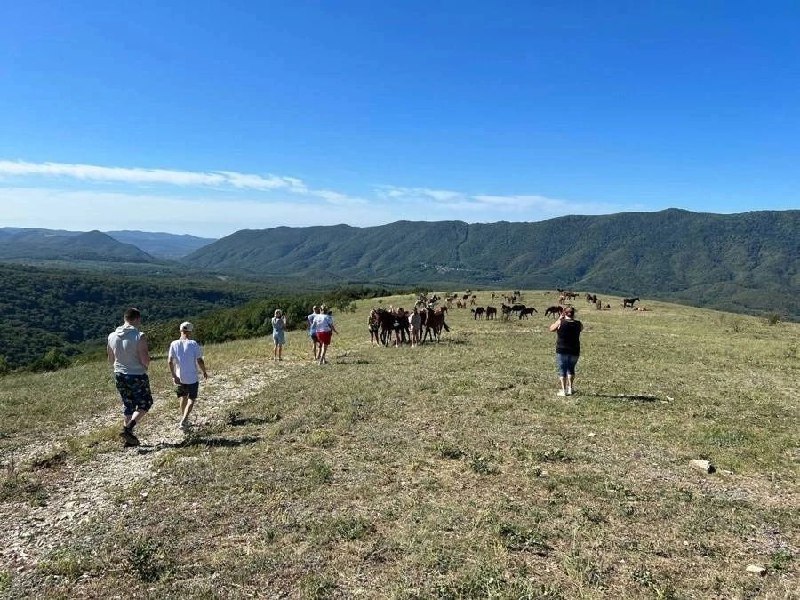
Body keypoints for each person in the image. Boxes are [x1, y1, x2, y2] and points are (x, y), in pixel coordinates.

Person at [107, 307, 152, 446]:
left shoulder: (112, 335)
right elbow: (145, 358)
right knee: (145, 403)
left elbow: (110, 358)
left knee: (128, 404)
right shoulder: (139, 336)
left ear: (125, 318)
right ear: (137, 319)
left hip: (119, 374)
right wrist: (144, 367)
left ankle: (129, 440)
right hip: (136, 374)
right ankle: (128, 429)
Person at [168, 321, 208, 431]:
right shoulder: (193, 343)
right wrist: (204, 371)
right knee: (191, 399)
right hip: (192, 377)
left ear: (180, 330)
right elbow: (199, 360)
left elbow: (170, 362)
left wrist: (174, 376)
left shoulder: (173, 343)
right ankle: (184, 419)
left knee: (183, 397)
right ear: (190, 331)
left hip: (179, 377)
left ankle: (183, 419)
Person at [549, 306, 583, 396]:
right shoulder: (579, 323)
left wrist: (559, 319)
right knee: (571, 369)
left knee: (562, 369)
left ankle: (563, 391)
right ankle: (570, 389)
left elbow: (551, 328)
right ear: (573, 314)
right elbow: (581, 329)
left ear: (564, 313)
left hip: (562, 349)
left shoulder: (561, 322)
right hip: (575, 349)